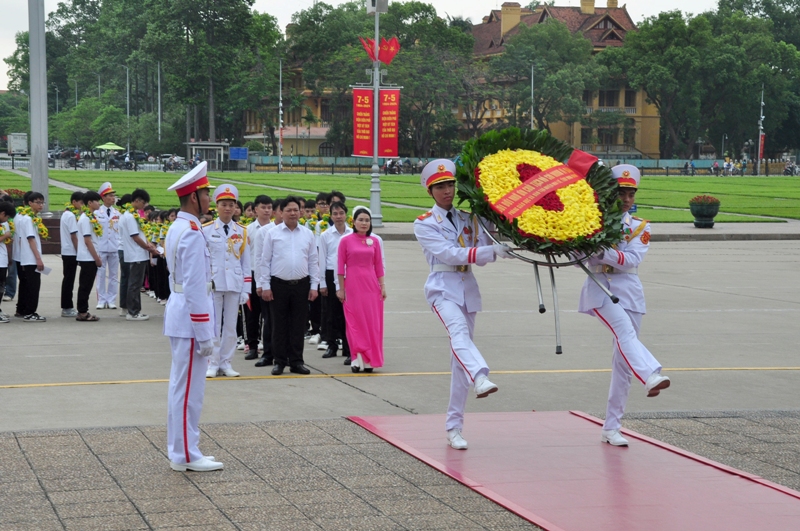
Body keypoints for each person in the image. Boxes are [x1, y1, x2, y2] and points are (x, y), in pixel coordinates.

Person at [413, 159, 513, 450]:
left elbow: (487, 238)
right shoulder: (425, 224)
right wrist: (488, 250)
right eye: (440, 187)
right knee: (457, 332)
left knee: (459, 362)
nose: (447, 191)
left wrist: (494, 210)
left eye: (450, 185)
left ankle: (454, 427)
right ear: (430, 191)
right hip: (442, 288)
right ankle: (481, 375)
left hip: (467, 288)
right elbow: (450, 253)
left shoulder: (469, 217)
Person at [578, 164, 670, 447]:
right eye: (621, 192)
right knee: (625, 333)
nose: (626, 198)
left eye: (631, 193)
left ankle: (611, 426)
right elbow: (582, 255)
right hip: (600, 288)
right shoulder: (592, 222)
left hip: (629, 290)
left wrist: (601, 251)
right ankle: (651, 373)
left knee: (623, 362)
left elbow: (631, 260)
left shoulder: (641, 227)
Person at [163, 161, 222, 472]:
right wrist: (205, 333)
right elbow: (197, 286)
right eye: (206, 194)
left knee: (181, 387)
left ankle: (184, 449)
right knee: (189, 392)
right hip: (189, 316)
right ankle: (186, 454)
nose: (210, 199)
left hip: (180, 310)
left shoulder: (179, 227)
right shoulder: (191, 232)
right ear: (193, 198)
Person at [259, 196, 319, 376]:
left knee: (298, 325)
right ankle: (279, 361)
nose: (293, 213)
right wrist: (265, 285)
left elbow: (313, 261)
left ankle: (296, 361)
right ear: (280, 213)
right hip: (278, 286)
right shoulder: (273, 233)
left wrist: (314, 285)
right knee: (278, 325)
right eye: (288, 210)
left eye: (296, 210)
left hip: (301, 285)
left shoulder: (307, 234)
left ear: (300, 212)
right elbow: (265, 261)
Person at [203, 184, 251, 378]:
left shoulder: (241, 231)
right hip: (213, 284)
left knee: (230, 326)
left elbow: (246, 262)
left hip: (234, 283)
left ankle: (226, 363)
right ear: (217, 206)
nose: (228, 208)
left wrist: (246, 288)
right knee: (213, 326)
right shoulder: (206, 230)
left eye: (231, 204)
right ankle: (212, 363)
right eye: (224, 204)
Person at [337, 206, 385, 373]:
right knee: (354, 322)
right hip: (353, 286)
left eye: (367, 220)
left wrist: (382, 287)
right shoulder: (345, 240)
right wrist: (341, 289)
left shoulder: (375, 241)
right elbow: (340, 268)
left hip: (371, 287)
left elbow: (378, 266)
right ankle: (356, 357)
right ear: (354, 221)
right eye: (361, 220)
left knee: (371, 322)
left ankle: (370, 359)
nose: (364, 223)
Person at [318, 201, 352, 359]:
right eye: (335, 214)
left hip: (349, 275)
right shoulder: (325, 235)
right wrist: (323, 283)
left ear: (346, 214)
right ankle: (331, 345)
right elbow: (322, 259)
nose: (339, 217)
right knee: (331, 313)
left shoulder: (352, 233)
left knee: (348, 314)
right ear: (330, 216)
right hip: (331, 274)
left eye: (341, 213)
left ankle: (348, 347)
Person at [119, 188, 157, 321]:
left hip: (137, 253)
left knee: (134, 283)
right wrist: (149, 248)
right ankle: (133, 312)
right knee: (135, 283)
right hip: (137, 254)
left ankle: (133, 310)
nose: (144, 206)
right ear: (137, 201)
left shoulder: (130, 215)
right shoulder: (130, 217)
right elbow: (135, 237)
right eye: (144, 203)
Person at [245, 195, 274, 362]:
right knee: (252, 313)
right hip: (251, 274)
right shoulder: (247, 230)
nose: (267, 211)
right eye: (263, 207)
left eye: (269, 207)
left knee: (268, 314)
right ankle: (252, 346)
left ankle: (268, 347)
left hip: (268, 276)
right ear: (255, 210)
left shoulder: (275, 229)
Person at [75, 191, 103, 322]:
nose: (99, 203)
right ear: (90, 203)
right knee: (85, 285)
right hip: (88, 257)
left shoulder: (90, 217)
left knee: (86, 285)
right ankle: (82, 312)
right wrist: (96, 258)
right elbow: (87, 240)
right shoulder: (86, 219)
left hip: (90, 256)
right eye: (97, 201)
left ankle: (83, 310)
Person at [94, 183, 120, 309]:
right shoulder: (97, 213)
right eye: (110, 196)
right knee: (101, 274)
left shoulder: (117, 213)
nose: (113, 198)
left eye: (113, 195)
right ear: (103, 198)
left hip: (114, 247)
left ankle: (111, 299)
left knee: (114, 275)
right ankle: (101, 299)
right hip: (101, 247)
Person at [60, 192, 83, 318]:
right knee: (69, 280)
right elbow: (74, 236)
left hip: (67, 251)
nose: (82, 205)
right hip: (71, 252)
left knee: (68, 279)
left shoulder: (67, 214)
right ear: (74, 202)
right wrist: (79, 252)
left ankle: (67, 306)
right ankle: (67, 307)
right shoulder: (70, 216)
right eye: (81, 202)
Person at [0, 201, 15, 323]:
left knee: (1, 286)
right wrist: (5, 236)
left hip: (2, 259)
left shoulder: (2, 223)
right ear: (3, 213)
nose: (7, 219)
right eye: (7, 217)